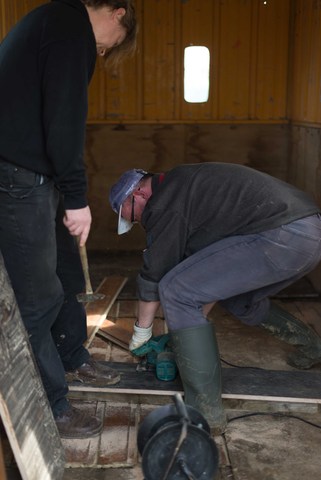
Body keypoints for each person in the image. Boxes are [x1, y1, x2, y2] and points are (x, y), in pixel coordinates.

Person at [0, 0, 137, 438]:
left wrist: (63, 190)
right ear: (119, 15)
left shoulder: (54, 23)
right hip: (19, 176)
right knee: (36, 299)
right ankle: (52, 406)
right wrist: (76, 197)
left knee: (66, 274)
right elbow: (64, 117)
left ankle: (73, 357)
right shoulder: (71, 28)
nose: (103, 53)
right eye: (109, 48)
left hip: (34, 175)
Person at [109, 163, 321, 433]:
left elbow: (154, 273)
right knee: (239, 300)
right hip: (307, 233)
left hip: (279, 235)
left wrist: (142, 333)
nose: (138, 222)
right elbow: (207, 282)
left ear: (137, 194)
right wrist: (182, 334)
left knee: (175, 290)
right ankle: (312, 346)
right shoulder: (187, 187)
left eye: (133, 217)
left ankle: (206, 413)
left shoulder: (164, 203)